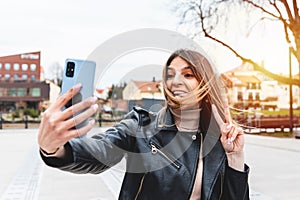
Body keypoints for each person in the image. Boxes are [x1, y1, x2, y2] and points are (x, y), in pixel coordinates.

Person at [38, 49, 250, 200]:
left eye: (187, 74)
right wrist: (55, 149)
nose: (175, 81)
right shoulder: (142, 125)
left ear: (204, 81)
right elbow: (101, 150)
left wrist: (235, 158)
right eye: (170, 75)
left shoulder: (220, 139)